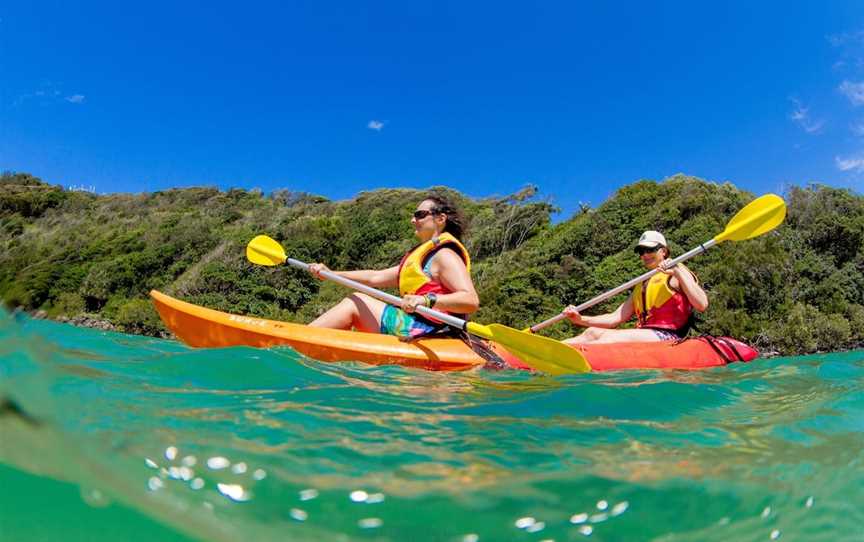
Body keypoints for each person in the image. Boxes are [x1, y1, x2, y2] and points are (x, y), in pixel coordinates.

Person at [307, 195, 479, 339]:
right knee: (357, 299)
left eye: (420, 215)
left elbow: (470, 301)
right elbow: (374, 277)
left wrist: (426, 300)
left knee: (355, 302)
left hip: (433, 331)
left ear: (440, 219)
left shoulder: (445, 255)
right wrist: (331, 273)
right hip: (415, 324)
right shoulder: (421, 260)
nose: (413, 220)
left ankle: (296, 344)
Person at [563, 230, 708, 344]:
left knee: (608, 339)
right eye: (641, 252)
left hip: (670, 335)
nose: (645, 255)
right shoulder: (643, 283)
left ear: (663, 251)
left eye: (650, 250)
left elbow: (702, 304)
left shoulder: (677, 272)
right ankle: (546, 353)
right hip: (646, 333)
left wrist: (676, 270)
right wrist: (580, 319)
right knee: (592, 332)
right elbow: (615, 318)